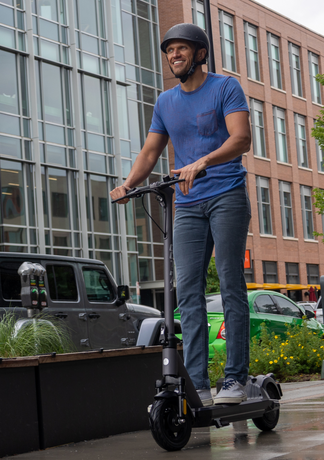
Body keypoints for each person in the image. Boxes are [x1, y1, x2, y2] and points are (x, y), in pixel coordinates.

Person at [110, 23, 251, 406]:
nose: (174, 55)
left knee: (229, 284)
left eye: (182, 48)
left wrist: (202, 162)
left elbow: (241, 139)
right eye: (169, 49)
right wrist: (127, 184)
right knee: (187, 292)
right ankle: (199, 383)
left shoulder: (225, 88)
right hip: (187, 204)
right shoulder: (165, 102)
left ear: (200, 54)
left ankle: (237, 379)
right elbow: (150, 152)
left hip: (226, 194)